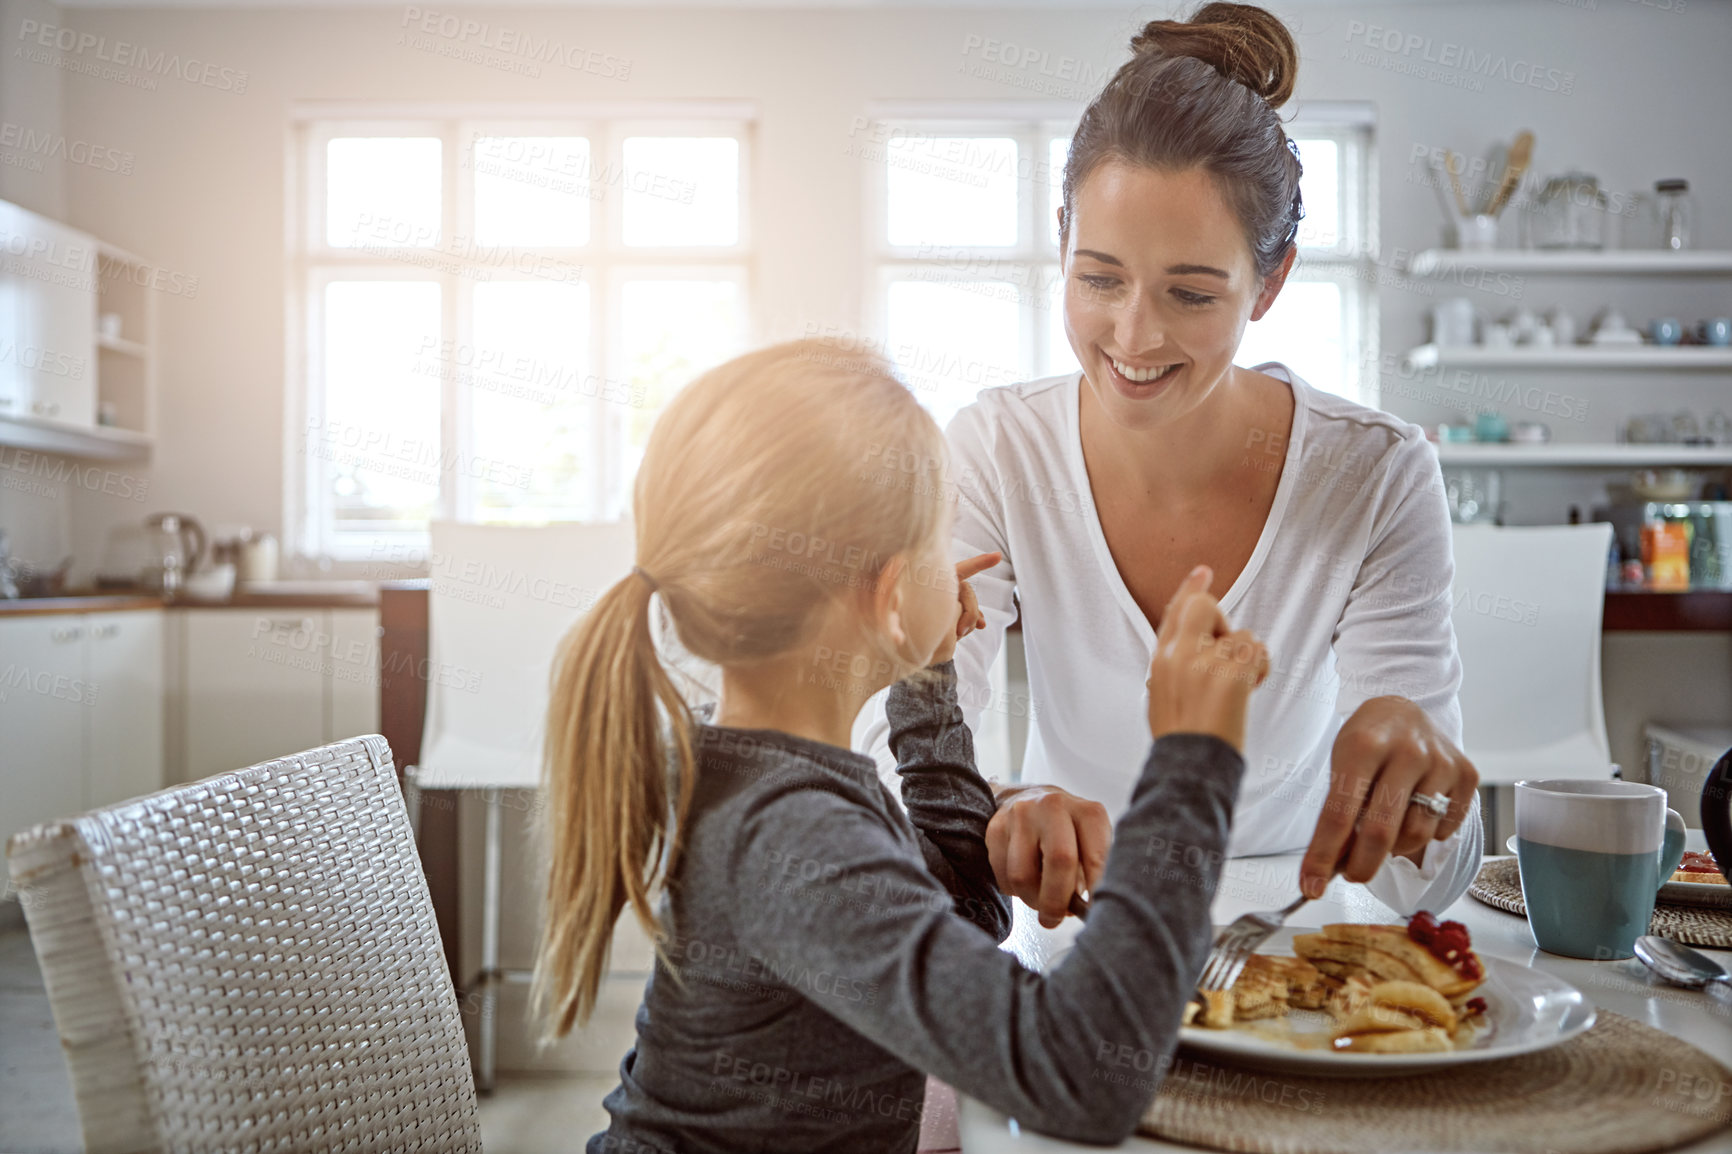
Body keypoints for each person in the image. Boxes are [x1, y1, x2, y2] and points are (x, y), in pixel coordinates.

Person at [533, 339, 1271, 1152]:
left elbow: (960, 904)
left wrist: (927, 672)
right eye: (936, 536)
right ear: (888, 594)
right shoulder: (792, 833)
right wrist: (1195, 756)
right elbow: (1084, 1077)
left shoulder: (772, 777)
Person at [859, 2, 1482, 926]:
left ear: (1270, 283)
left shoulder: (1377, 476)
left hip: (1294, 933)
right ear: (1062, 236)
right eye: (1099, 278)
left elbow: (1423, 885)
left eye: (1191, 292)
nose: (1133, 337)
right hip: (1077, 922)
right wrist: (1005, 810)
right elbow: (894, 754)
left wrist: (1419, 792)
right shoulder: (998, 448)